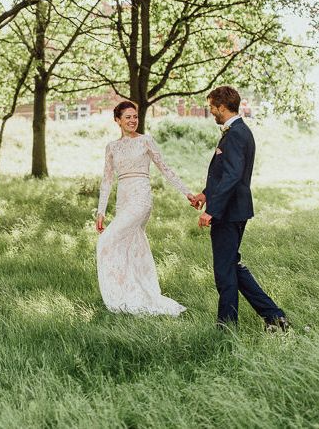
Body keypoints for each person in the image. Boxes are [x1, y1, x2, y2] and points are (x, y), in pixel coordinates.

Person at [191, 86, 289, 331]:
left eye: (212, 107)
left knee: (224, 272)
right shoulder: (238, 131)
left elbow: (233, 176)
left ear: (222, 107)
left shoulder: (235, 133)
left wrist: (212, 209)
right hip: (234, 209)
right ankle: (275, 317)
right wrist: (206, 193)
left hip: (229, 211)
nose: (211, 111)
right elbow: (225, 173)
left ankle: (226, 328)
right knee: (232, 266)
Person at [95, 100, 199, 315]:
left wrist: (187, 192)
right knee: (131, 246)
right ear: (117, 121)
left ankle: (117, 294)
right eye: (127, 117)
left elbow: (165, 169)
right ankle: (132, 292)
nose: (133, 120)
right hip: (123, 200)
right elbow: (107, 180)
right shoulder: (111, 147)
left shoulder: (146, 141)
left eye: (135, 116)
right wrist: (101, 211)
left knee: (106, 241)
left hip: (141, 199)